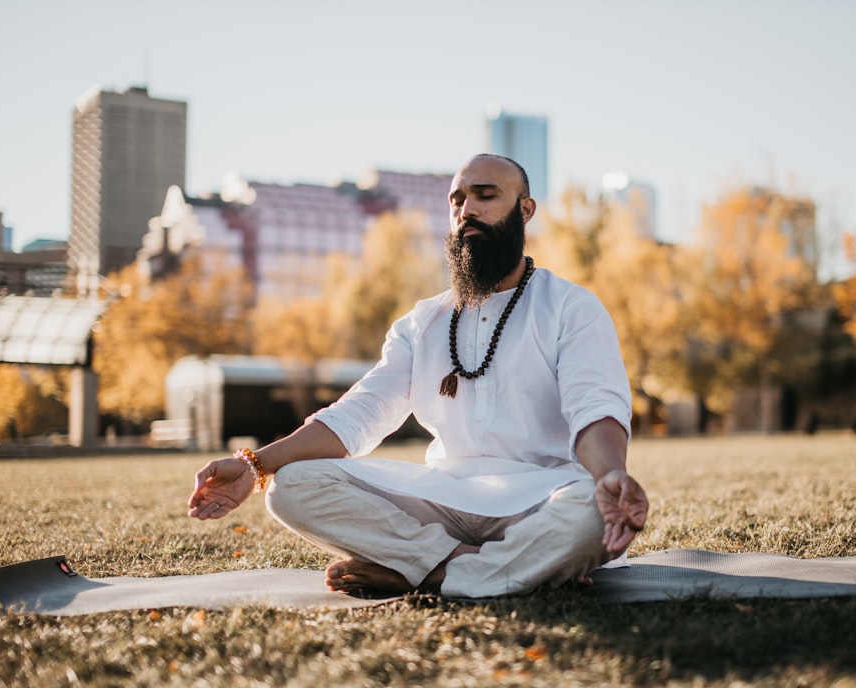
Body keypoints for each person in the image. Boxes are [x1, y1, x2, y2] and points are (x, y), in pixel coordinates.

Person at [188, 154, 648, 598]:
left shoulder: (571, 307)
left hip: (540, 500)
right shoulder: (421, 323)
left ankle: (425, 572)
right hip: (442, 501)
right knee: (291, 486)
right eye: (457, 200)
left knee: (593, 507)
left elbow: (595, 408)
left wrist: (610, 474)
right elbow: (358, 415)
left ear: (525, 211)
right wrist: (254, 465)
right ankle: (475, 569)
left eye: (485, 196)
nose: (467, 210)